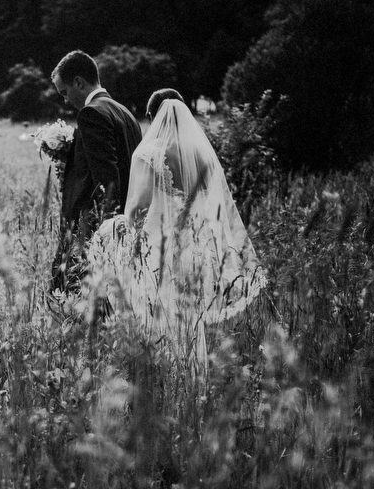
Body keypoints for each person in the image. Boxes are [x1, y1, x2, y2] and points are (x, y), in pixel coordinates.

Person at [87, 89, 267, 371]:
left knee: (155, 319)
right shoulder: (202, 155)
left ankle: (155, 383)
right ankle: (190, 381)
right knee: (188, 324)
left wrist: (119, 227)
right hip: (194, 252)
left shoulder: (149, 153)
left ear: (152, 117)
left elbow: (137, 209)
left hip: (158, 254)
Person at [49, 50, 143, 293]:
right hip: (129, 222)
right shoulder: (126, 114)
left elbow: (107, 180)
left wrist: (102, 239)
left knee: (70, 298)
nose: (66, 100)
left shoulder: (91, 114)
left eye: (65, 92)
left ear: (79, 82)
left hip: (95, 231)